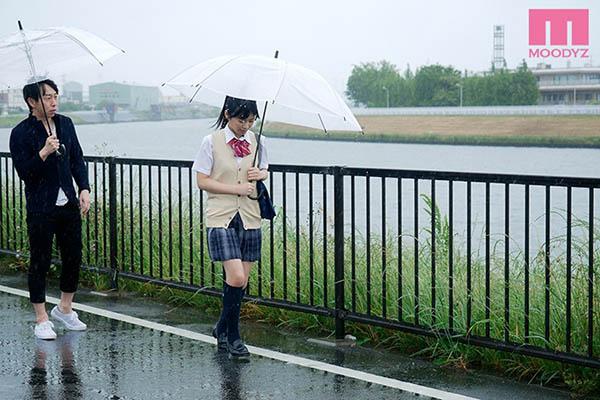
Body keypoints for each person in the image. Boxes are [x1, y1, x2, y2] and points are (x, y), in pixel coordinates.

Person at [9, 79, 91, 340]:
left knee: (73, 257)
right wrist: (43, 152)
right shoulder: (20, 133)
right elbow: (25, 173)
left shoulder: (65, 124)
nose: (54, 102)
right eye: (47, 97)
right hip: (41, 207)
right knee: (40, 261)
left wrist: (84, 188)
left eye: (56, 96)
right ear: (32, 101)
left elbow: (76, 158)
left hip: (68, 203)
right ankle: (41, 319)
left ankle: (65, 309)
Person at [192, 96, 268, 359]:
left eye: (251, 121)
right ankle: (234, 336)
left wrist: (260, 174)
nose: (245, 126)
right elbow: (202, 181)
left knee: (241, 281)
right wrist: (235, 188)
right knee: (236, 277)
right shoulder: (210, 142)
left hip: (250, 215)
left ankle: (221, 328)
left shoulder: (258, 141)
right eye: (241, 120)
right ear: (227, 114)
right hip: (221, 216)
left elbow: (264, 169)